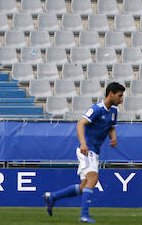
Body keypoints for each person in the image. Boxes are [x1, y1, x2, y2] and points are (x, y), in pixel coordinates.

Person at [44, 82, 124, 222]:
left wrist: (113, 138)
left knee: (83, 186)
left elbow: (111, 127)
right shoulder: (96, 109)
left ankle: (53, 197)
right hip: (87, 149)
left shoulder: (114, 111)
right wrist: (83, 143)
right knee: (93, 179)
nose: (121, 99)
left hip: (95, 151)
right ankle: (84, 215)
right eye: (119, 96)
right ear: (111, 93)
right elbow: (81, 123)